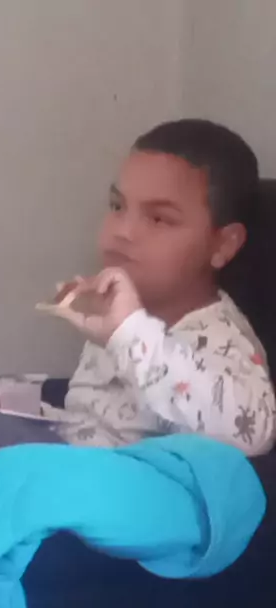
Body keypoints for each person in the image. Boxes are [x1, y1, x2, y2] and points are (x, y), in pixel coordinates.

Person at [42, 119, 276, 456]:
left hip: (121, 483)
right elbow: (88, 421)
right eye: (118, 206)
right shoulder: (118, 312)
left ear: (223, 245)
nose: (122, 231)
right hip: (66, 463)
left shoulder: (223, 341)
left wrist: (128, 333)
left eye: (158, 219)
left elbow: (253, 432)